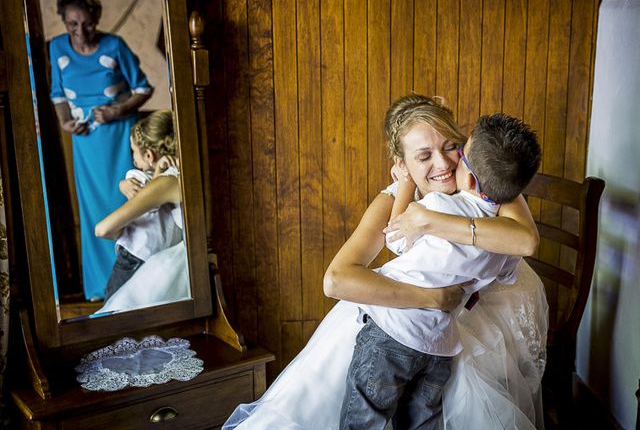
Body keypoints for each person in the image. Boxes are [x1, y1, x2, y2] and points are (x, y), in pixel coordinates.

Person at [222, 94, 548, 430]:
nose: (444, 163)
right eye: (423, 156)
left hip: (458, 333)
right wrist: (433, 297)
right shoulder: (399, 197)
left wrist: (427, 221)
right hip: (402, 321)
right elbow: (336, 280)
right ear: (402, 165)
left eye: (451, 146)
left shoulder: (488, 178)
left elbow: (525, 241)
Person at [339, 113, 541, 429]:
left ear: (471, 178)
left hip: (393, 333)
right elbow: (507, 273)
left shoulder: (437, 206)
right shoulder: (503, 236)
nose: (448, 163)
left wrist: (404, 185)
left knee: (365, 416)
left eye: (457, 152)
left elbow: (395, 239)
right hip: (441, 345)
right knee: (424, 420)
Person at [49, 0, 153, 300]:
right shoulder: (56, 49)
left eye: (87, 24)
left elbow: (143, 88)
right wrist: (64, 122)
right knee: (95, 212)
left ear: (97, 18)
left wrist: (117, 110)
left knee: (126, 205)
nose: (80, 32)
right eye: (72, 25)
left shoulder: (114, 46)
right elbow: (57, 94)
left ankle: (133, 286)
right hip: (86, 143)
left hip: (120, 137)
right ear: (65, 23)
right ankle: (100, 287)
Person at [96, 110, 182, 301]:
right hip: (159, 257)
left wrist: (118, 233)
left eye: (133, 152)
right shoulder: (169, 177)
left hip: (135, 257)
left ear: (149, 156)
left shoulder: (161, 182)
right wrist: (123, 185)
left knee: (113, 311)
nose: (133, 160)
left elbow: (102, 230)